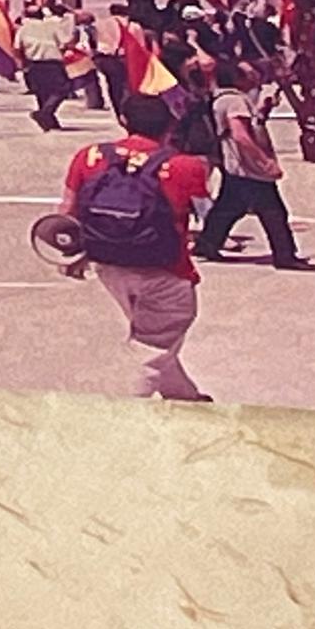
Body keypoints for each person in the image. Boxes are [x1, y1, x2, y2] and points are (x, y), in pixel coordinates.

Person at [60, 93, 211, 401]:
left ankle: (186, 399)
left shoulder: (89, 156)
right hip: (165, 270)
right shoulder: (185, 166)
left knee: (153, 336)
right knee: (152, 345)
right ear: (170, 126)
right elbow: (205, 214)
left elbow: (67, 212)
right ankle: (123, 413)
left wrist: (70, 255)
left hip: (109, 265)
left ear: (123, 120)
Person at [196, 61, 315, 271]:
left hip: (235, 165)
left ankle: (208, 243)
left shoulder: (222, 99)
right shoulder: (235, 101)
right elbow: (240, 135)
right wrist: (264, 161)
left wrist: (263, 110)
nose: (253, 75)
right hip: (248, 167)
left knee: (229, 208)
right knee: (273, 211)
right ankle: (285, 255)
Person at [16, 4, 69, 131]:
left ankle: (46, 116)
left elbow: (17, 48)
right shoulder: (52, 27)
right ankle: (46, 115)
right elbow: (64, 43)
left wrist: (20, 64)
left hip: (34, 64)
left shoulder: (23, 29)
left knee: (42, 92)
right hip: (53, 62)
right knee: (61, 90)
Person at [95, 5, 130, 115]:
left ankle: (116, 109)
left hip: (103, 58)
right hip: (120, 57)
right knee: (124, 85)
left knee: (112, 85)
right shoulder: (127, 24)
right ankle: (124, 109)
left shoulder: (101, 24)